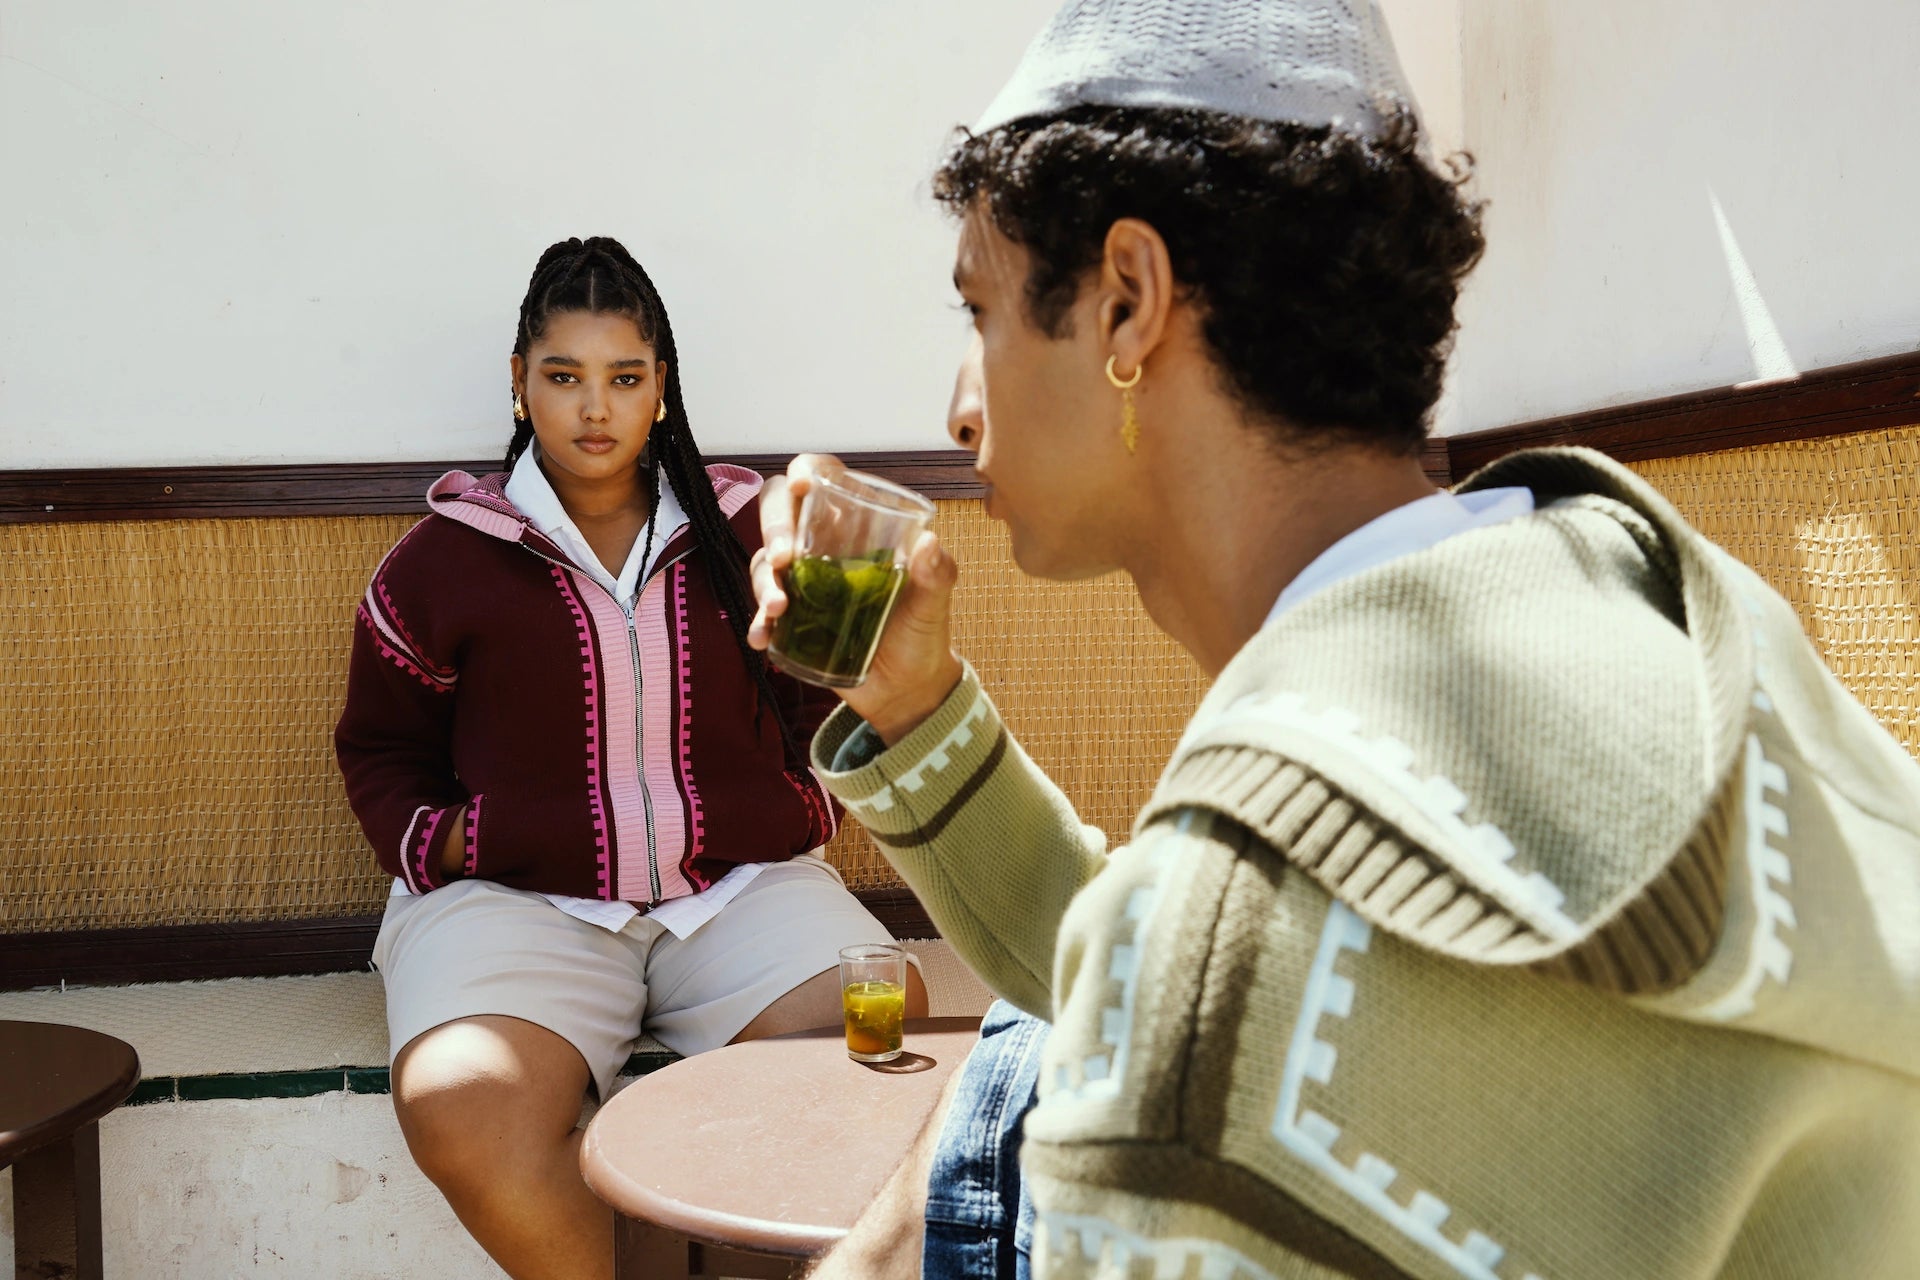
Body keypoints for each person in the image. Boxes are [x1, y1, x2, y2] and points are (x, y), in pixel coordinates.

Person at [749, 2, 1920, 1277]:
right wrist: (917, 704)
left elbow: (1206, 987)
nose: (959, 407)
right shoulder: (1638, 596)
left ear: (1129, 299)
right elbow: (1194, 963)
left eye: (978, 312)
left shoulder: (1229, 973)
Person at [334, 234, 927, 1280]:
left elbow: (808, 700)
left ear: (662, 391)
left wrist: (799, 804)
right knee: (460, 1104)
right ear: (519, 386)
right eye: (563, 376)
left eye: (623, 378)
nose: (593, 407)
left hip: (735, 892)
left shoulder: (743, 537)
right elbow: (380, 747)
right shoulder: (442, 561)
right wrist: (454, 837)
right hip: (517, 901)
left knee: (881, 1046)